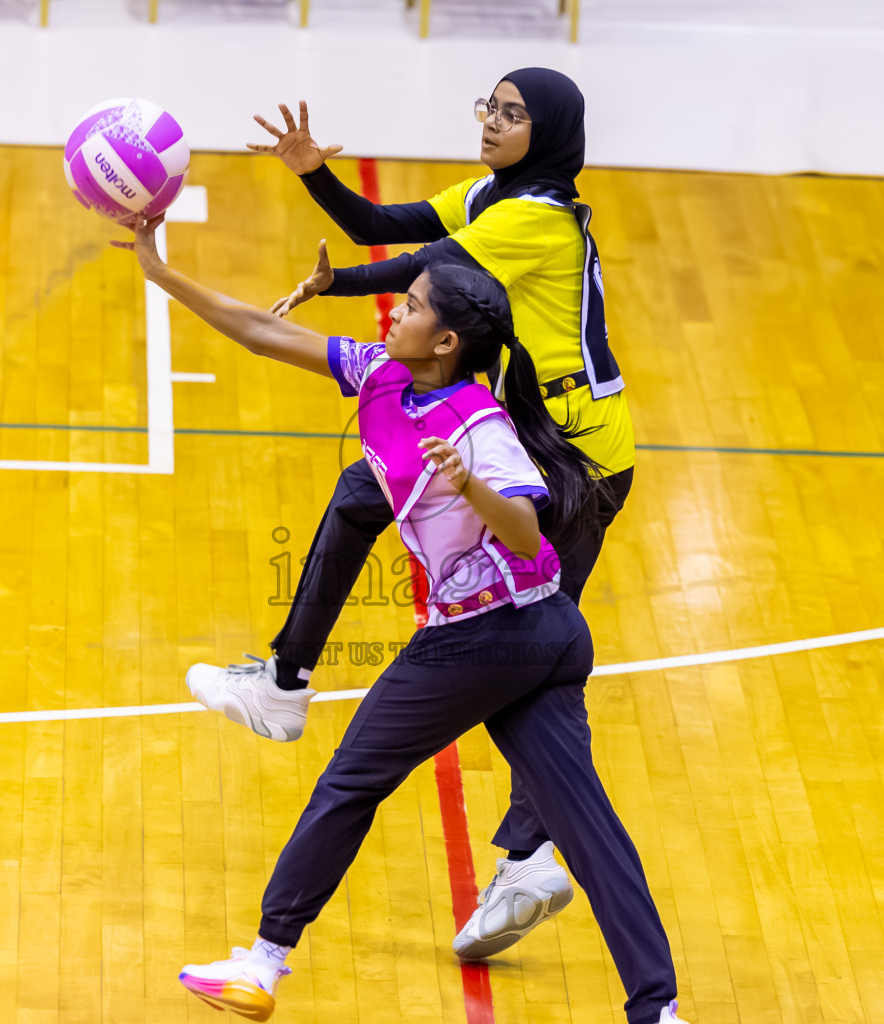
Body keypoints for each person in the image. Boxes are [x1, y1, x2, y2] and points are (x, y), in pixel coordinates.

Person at [115, 214, 681, 1024]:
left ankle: (264, 964)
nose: (394, 312)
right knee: (585, 822)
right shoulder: (382, 374)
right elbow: (259, 333)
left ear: (446, 342)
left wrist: (472, 484)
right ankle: (656, 1011)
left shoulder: (480, 428)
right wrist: (159, 271)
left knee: (351, 780)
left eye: (411, 306)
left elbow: (528, 529)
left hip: (484, 638)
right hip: (543, 634)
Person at [188, 68, 634, 960]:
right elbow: (383, 225)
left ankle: (530, 853)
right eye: (490, 107)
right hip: (530, 427)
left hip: (577, 453)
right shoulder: (491, 191)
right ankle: (286, 679)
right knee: (367, 493)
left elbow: (430, 273)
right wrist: (313, 173)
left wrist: (335, 289)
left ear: (545, 132)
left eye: (513, 115)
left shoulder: (536, 217)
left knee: (540, 651)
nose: (493, 123)